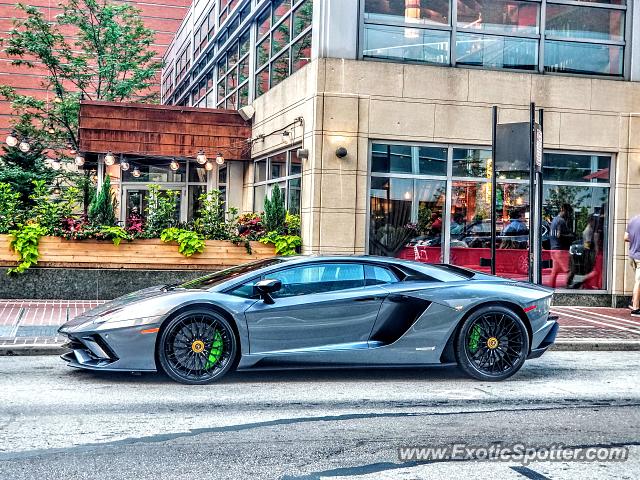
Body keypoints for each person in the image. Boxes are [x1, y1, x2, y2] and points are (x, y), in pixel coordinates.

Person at [549, 204, 574, 288]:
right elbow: (559, 235)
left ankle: (550, 288)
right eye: (568, 212)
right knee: (570, 270)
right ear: (563, 209)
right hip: (561, 250)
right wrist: (571, 236)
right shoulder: (561, 221)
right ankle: (567, 292)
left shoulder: (554, 220)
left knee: (554, 271)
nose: (569, 214)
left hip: (553, 249)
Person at [625, 214, 640, 316]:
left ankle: (634, 301)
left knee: (637, 281)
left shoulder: (632, 220)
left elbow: (626, 237)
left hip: (632, 256)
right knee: (639, 282)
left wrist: (635, 241)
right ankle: (635, 308)